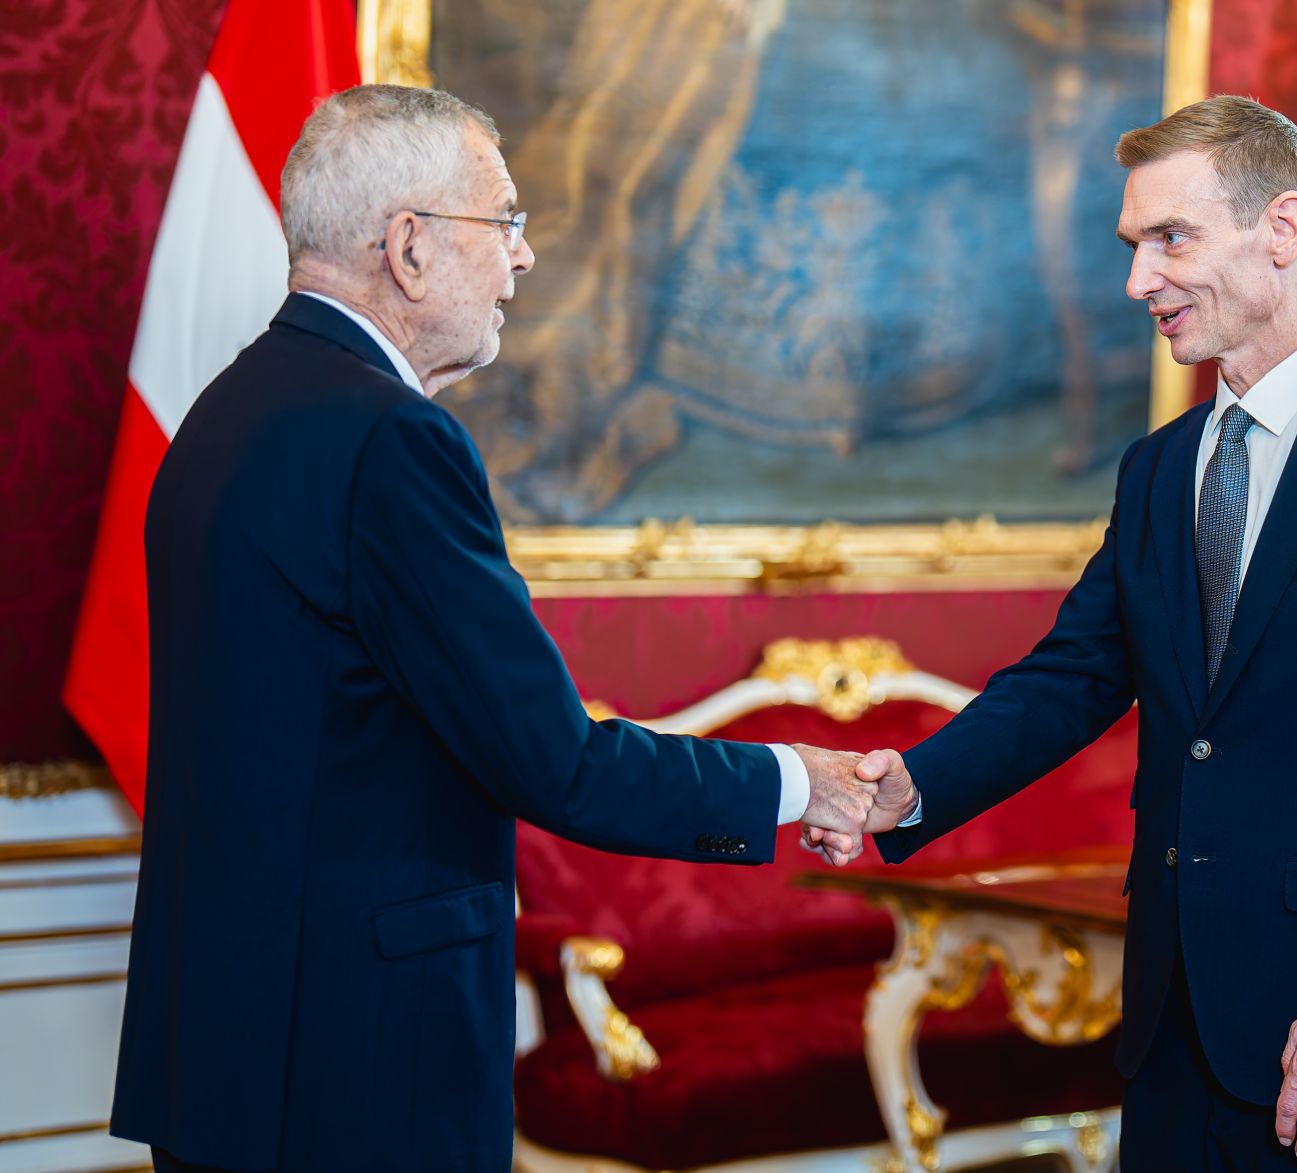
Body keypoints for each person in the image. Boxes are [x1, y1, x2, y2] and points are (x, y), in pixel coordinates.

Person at [110, 85, 876, 1173]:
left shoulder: (228, 412)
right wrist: (796, 783)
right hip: (357, 1066)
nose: (522, 259)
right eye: (504, 221)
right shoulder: (391, 442)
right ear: (409, 247)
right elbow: (555, 764)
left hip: (229, 1050)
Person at [830, 95, 1297, 1169]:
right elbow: (1072, 675)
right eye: (1130, 247)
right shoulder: (1157, 468)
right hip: (1169, 1035)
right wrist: (915, 785)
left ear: (1281, 230)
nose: (1136, 282)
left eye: (1169, 239)